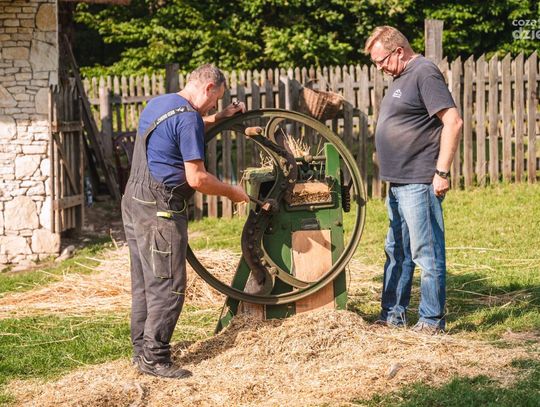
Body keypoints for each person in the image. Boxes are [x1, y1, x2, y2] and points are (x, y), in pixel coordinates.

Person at [121, 64, 249, 378]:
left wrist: (218, 119)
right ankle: (156, 358)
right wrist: (232, 192)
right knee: (168, 285)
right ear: (208, 88)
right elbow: (197, 179)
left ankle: (141, 352)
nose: (214, 106)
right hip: (160, 209)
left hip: (134, 201)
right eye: (216, 100)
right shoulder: (189, 117)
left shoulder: (160, 103)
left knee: (145, 283)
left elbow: (177, 127)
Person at [364, 26, 462, 334]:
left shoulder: (424, 73)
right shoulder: (400, 77)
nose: (379, 68)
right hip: (397, 182)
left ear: (399, 51)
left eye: (381, 61)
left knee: (426, 253)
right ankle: (392, 316)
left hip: (419, 180)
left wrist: (441, 172)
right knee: (397, 251)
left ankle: (431, 321)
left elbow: (453, 122)